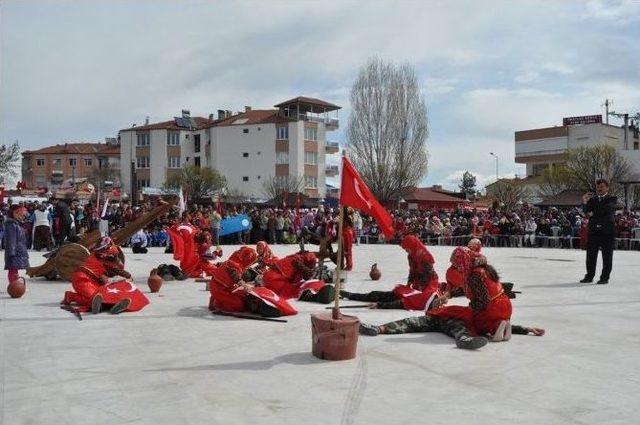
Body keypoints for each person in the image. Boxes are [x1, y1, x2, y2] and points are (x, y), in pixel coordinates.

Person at [359, 247, 544, 349]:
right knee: (454, 315)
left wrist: (460, 306)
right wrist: (526, 329)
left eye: (456, 264)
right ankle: (490, 330)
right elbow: (475, 293)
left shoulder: (474, 275)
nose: (455, 267)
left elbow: (479, 302)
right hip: (502, 312)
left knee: (450, 319)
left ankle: (465, 338)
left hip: (487, 314)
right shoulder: (485, 270)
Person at [340, 235, 441, 311]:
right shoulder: (411, 255)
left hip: (428, 286)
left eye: (407, 249)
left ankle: (381, 304)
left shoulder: (425, 257)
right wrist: (409, 285)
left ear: (413, 246)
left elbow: (427, 276)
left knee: (404, 301)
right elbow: (412, 271)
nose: (406, 251)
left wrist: (414, 290)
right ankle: (351, 295)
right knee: (381, 295)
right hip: (417, 285)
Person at [61, 237, 149, 314]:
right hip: (82, 279)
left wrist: (126, 276)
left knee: (104, 294)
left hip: (94, 281)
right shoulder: (97, 258)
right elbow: (105, 280)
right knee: (93, 297)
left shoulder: (107, 257)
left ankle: (110, 305)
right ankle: (70, 296)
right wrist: (116, 282)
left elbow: (119, 269)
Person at [580, 179, 617, 284]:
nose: (599, 188)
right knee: (590, 255)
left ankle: (604, 278)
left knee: (607, 256)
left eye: (601, 186)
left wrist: (593, 212)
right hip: (594, 231)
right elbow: (586, 212)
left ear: (607, 187)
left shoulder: (612, 198)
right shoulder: (592, 199)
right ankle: (589, 276)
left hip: (607, 231)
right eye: (598, 187)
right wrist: (584, 201)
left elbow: (607, 209)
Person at [4, 205, 30, 284]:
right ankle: (14, 286)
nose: (22, 215)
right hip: (14, 251)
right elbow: (11, 240)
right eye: (20, 213)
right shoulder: (11, 225)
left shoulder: (16, 224)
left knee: (14, 269)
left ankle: (15, 285)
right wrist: (11, 253)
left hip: (18, 250)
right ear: (14, 213)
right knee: (13, 269)